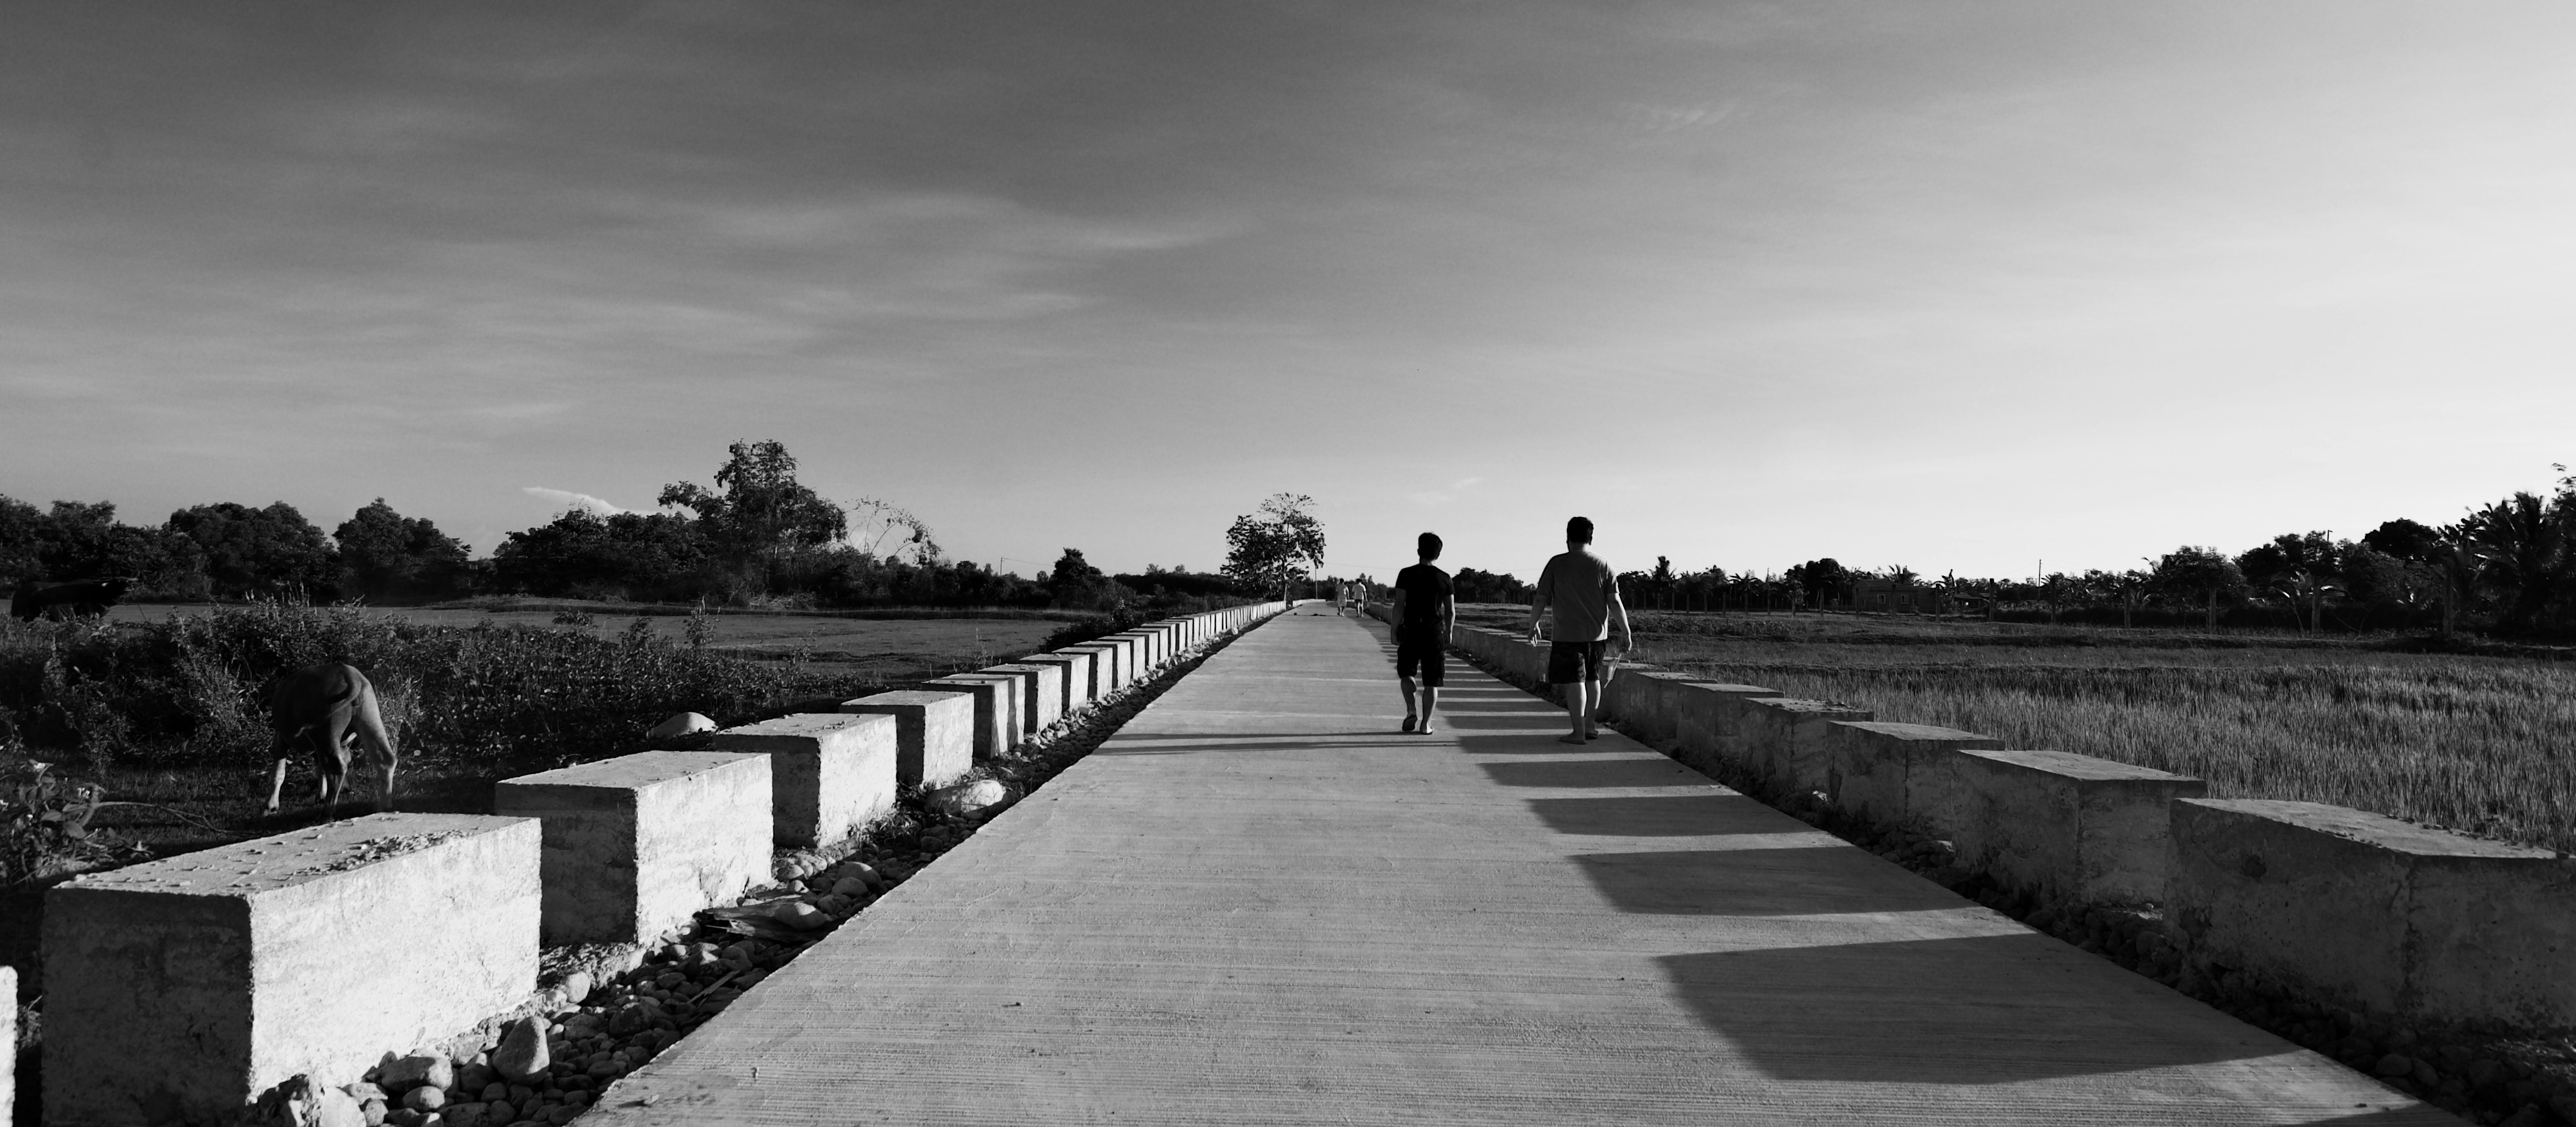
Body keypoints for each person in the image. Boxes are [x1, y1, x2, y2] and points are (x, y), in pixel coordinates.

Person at [1526, 516, 1633, 744]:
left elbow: (1541, 598)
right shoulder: (1604, 565)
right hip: (1597, 636)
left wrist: (1533, 623)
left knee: (1575, 681)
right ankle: (1591, 726)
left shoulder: (1557, 563)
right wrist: (1626, 630)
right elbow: (1614, 601)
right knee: (1593, 678)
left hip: (1567, 636)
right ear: (1591, 538)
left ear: (1567, 538)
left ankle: (1578, 732)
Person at [1391, 532, 1455, 734]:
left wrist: (1394, 630)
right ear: (1439, 554)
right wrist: (1449, 632)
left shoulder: (1406, 574)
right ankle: (1426, 724)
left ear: (1419, 551)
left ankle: (1411, 710)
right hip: (1434, 633)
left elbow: (1399, 605)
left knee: (1407, 673)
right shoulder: (1445, 579)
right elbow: (1451, 612)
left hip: (1411, 630)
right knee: (1431, 682)